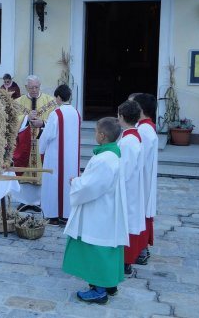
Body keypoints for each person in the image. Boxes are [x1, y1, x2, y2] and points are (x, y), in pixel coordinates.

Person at [62, 117, 128, 304]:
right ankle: (109, 283)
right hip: (107, 208)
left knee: (97, 247)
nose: (94, 135)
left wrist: (75, 182)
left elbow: (91, 187)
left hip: (100, 211)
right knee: (108, 247)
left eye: (95, 132)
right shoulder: (112, 154)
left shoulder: (104, 159)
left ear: (102, 135)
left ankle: (100, 290)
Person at [12, 75, 56, 208]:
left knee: (41, 170)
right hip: (24, 143)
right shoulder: (18, 102)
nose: (34, 90)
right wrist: (25, 117)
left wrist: (42, 122)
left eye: (36, 87)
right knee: (24, 169)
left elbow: (55, 122)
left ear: (40, 85)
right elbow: (12, 121)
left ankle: (40, 200)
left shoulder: (50, 101)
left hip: (42, 143)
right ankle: (25, 201)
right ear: (26, 87)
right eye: (31, 87)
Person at [39, 84, 81, 225]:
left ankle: (53, 215)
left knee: (52, 184)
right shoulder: (76, 112)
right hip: (72, 156)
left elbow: (47, 135)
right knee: (68, 184)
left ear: (58, 97)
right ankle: (67, 214)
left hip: (55, 156)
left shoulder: (56, 113)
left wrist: (41, 150)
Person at [117, 100, 146, 275]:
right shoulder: (132, 135)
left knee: (125, 224)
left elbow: (124, 171)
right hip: (132, 186)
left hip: (127, 189)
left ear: (121, 117)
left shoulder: (128, 141)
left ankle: (125, 261)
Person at [132, 93, 158, 265]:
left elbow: (137, 158)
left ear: (140, 109)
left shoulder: (144, 130)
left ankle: (140, 249)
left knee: (138, 212)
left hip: (140, 178)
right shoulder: (142, 127)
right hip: (141, 176)